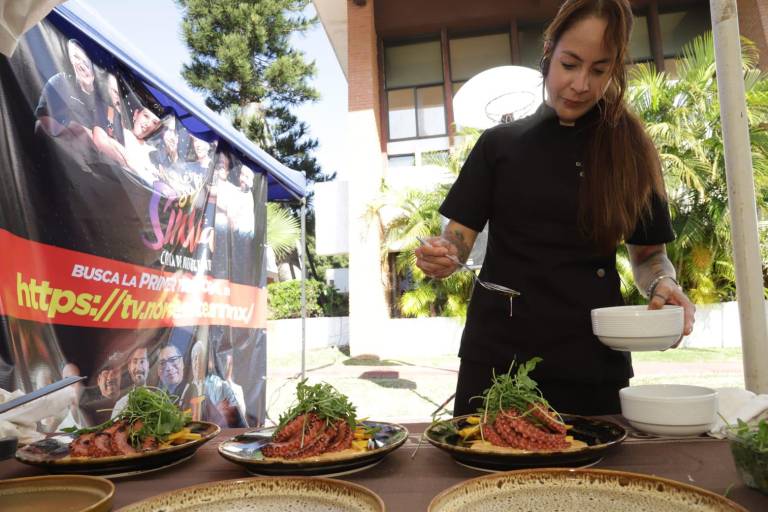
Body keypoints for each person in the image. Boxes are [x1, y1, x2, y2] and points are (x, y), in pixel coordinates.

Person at [415, 0, 695, 417]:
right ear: (549, 51)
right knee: (483, 475)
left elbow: (650, 256)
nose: (580, 84)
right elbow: (458, 238)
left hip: (590, 360)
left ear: (613, 71)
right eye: (570, 63)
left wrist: (662, 285)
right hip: (497, 357)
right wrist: (443, 256)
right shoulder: (498, 145)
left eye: (598, 70)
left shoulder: (632, 152)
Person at [34, 39, 99, 148]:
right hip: (62, 147)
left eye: (85, 59)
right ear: (70, 61)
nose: (81, 63)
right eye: (76, 57)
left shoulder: (103, 100)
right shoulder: (60, 82)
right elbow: (41, 120)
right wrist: (72, 131)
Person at [156, 343, 193, 407]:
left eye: (173, 360)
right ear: (158, 371)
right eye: (162, 363)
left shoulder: (192, 392)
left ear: (182, 362)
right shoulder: (157, 399)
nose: (169, 368)